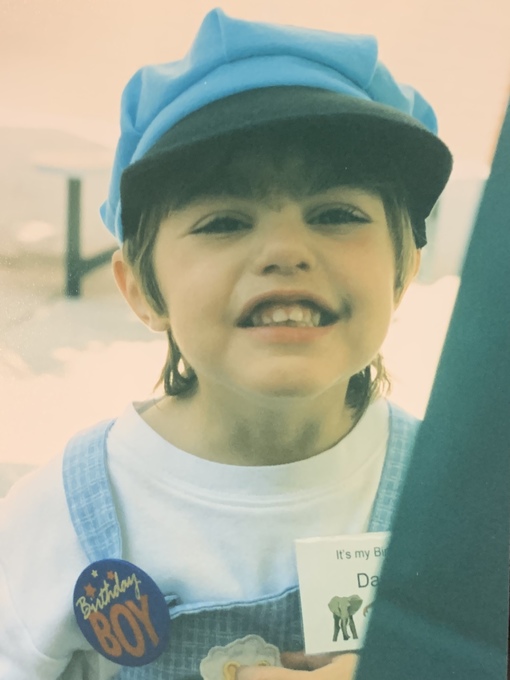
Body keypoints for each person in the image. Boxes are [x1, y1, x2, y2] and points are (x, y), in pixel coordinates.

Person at [0, 7, 452, 680]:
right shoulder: (60, 516)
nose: (285, 250)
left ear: (405, 269)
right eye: (223, 221)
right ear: (142, 290)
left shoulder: (452, 498)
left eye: (335, 213)